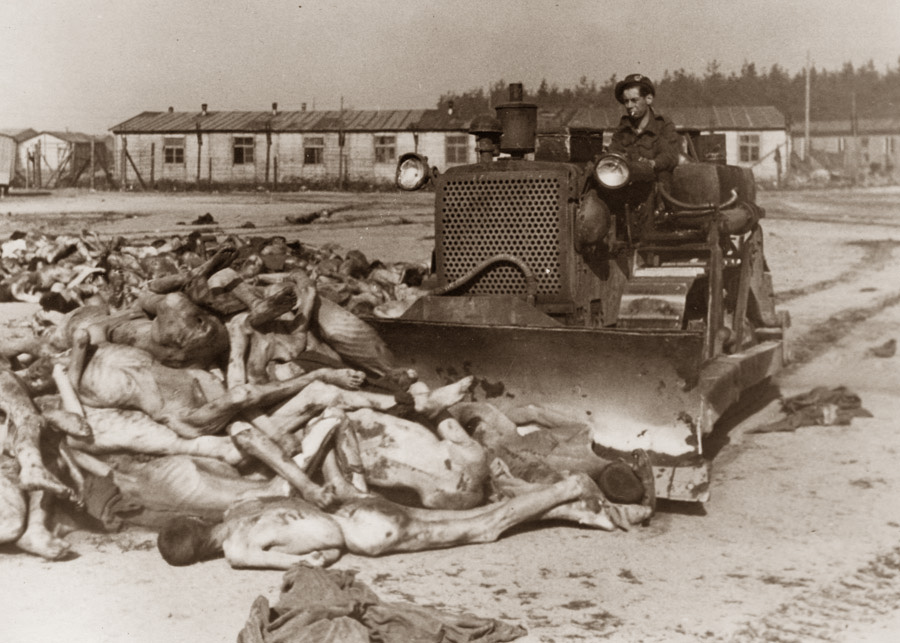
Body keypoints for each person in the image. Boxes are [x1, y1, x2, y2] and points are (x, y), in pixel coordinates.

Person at [156, 471, 599, 569]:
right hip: (354, 509)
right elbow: (287, 495)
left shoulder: (237, 553)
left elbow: (304, 565)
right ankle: (569, 510)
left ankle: (569, 489)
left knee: (483, 528)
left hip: (364, 534)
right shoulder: (240, 508)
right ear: (198, 519)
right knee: (473, 516)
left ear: (199, 557)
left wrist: (327, 550)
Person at [608, 73, 680, 184]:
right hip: (626, 184)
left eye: (634, 100)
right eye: (626, 101)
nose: (629, 106)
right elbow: (613, 152)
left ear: (648, 99)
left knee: (664, 178)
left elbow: (669, 156)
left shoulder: (663, 125)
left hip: (655, 184)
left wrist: (652, 163)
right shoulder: (623, 129)